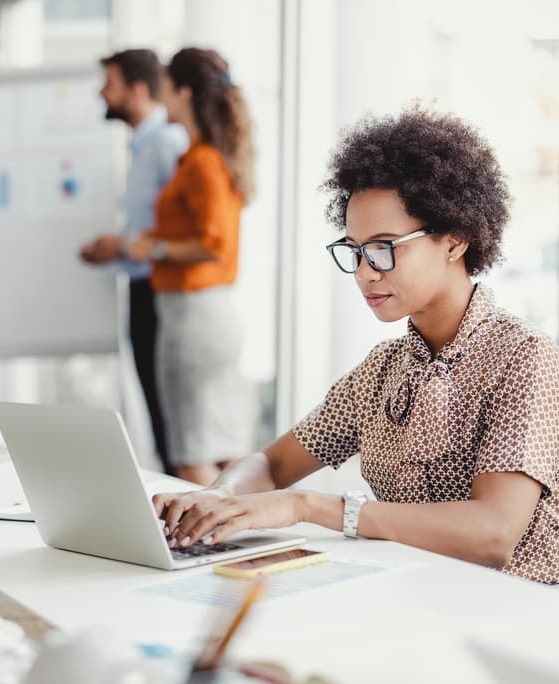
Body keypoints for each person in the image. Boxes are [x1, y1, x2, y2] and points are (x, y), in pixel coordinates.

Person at [153, 106, 559, 585]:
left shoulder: (525, 358)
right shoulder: (384, 369)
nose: (366, 273)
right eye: (356, 250)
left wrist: (307, 506)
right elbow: (274, 462)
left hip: (509, 619)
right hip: (410, 598)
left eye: (385, 247)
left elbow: (493, 535)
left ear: (455, 239)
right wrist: (219, 500)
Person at [128, 48, 255, 486]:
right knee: (219, 447)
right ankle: (237, 539)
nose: (161, 95)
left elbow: (214, 244)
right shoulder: (202, 157)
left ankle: (208, 545)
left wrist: (153, 248)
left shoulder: (203, 162)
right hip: (201, 314)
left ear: (183, 92)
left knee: (192, 454)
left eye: (165, 85)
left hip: (193, 316)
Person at [80, 49, 187, 476]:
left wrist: (126, 246)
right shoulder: (144, 145)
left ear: (137, 90)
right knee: (159, 414)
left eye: (110, 84)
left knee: (171, 418)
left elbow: (186, 224)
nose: (102, 93)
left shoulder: (167, 142)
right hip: (145, 289)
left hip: (164, 291)